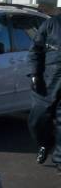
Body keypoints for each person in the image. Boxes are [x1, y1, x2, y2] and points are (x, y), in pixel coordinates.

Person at [28, 13, 61, 172]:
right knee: (37, 119)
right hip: (47, 81)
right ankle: (45, 143)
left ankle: (60, 159)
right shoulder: (51, 24)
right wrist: (34, 74)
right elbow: (35, 50)